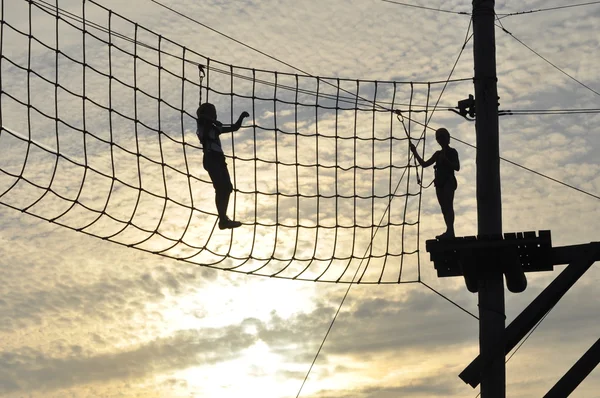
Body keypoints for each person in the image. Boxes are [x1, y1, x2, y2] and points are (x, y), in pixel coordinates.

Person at [197, 102, 249, 230]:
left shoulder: (215, 128)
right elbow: (201, 118)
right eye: (212, 111)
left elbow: (234, 127)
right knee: (220, 187)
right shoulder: (203, 125)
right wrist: (214, 121)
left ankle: (223, 219)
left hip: (220, 159)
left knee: (227, 188)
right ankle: (222, 218)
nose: (215, 114)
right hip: (211, 157)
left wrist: (241, 117)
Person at [409, 128, 460, 239]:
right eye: (439, 137)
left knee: (448, 205)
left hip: (448, 180)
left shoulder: (452, 152)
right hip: (439, 182)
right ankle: (449, 230)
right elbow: (424, 164)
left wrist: (446, 161)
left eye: (442, 136)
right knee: (444, 207)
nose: (441, 139)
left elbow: (457, 167)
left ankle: (450, 231)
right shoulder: (437, 154)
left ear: (447, 138)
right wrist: (415, 152)